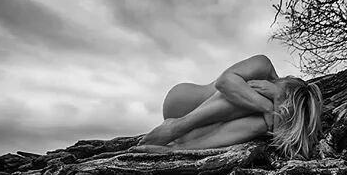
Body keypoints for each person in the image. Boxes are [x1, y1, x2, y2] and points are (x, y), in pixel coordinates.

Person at [134, 54, 324, 159]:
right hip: (183, 102)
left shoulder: (271, 111)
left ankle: (177, 148)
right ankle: (176, 127)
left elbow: (277, 135)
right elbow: (224, 83)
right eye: (281, 96)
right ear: (288, 80)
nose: (275, 105)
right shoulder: (264, 66)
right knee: (249, 92)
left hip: (197, 134)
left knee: (261, 124)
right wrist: (269, 103)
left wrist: (275, 102)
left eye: (278, 102)